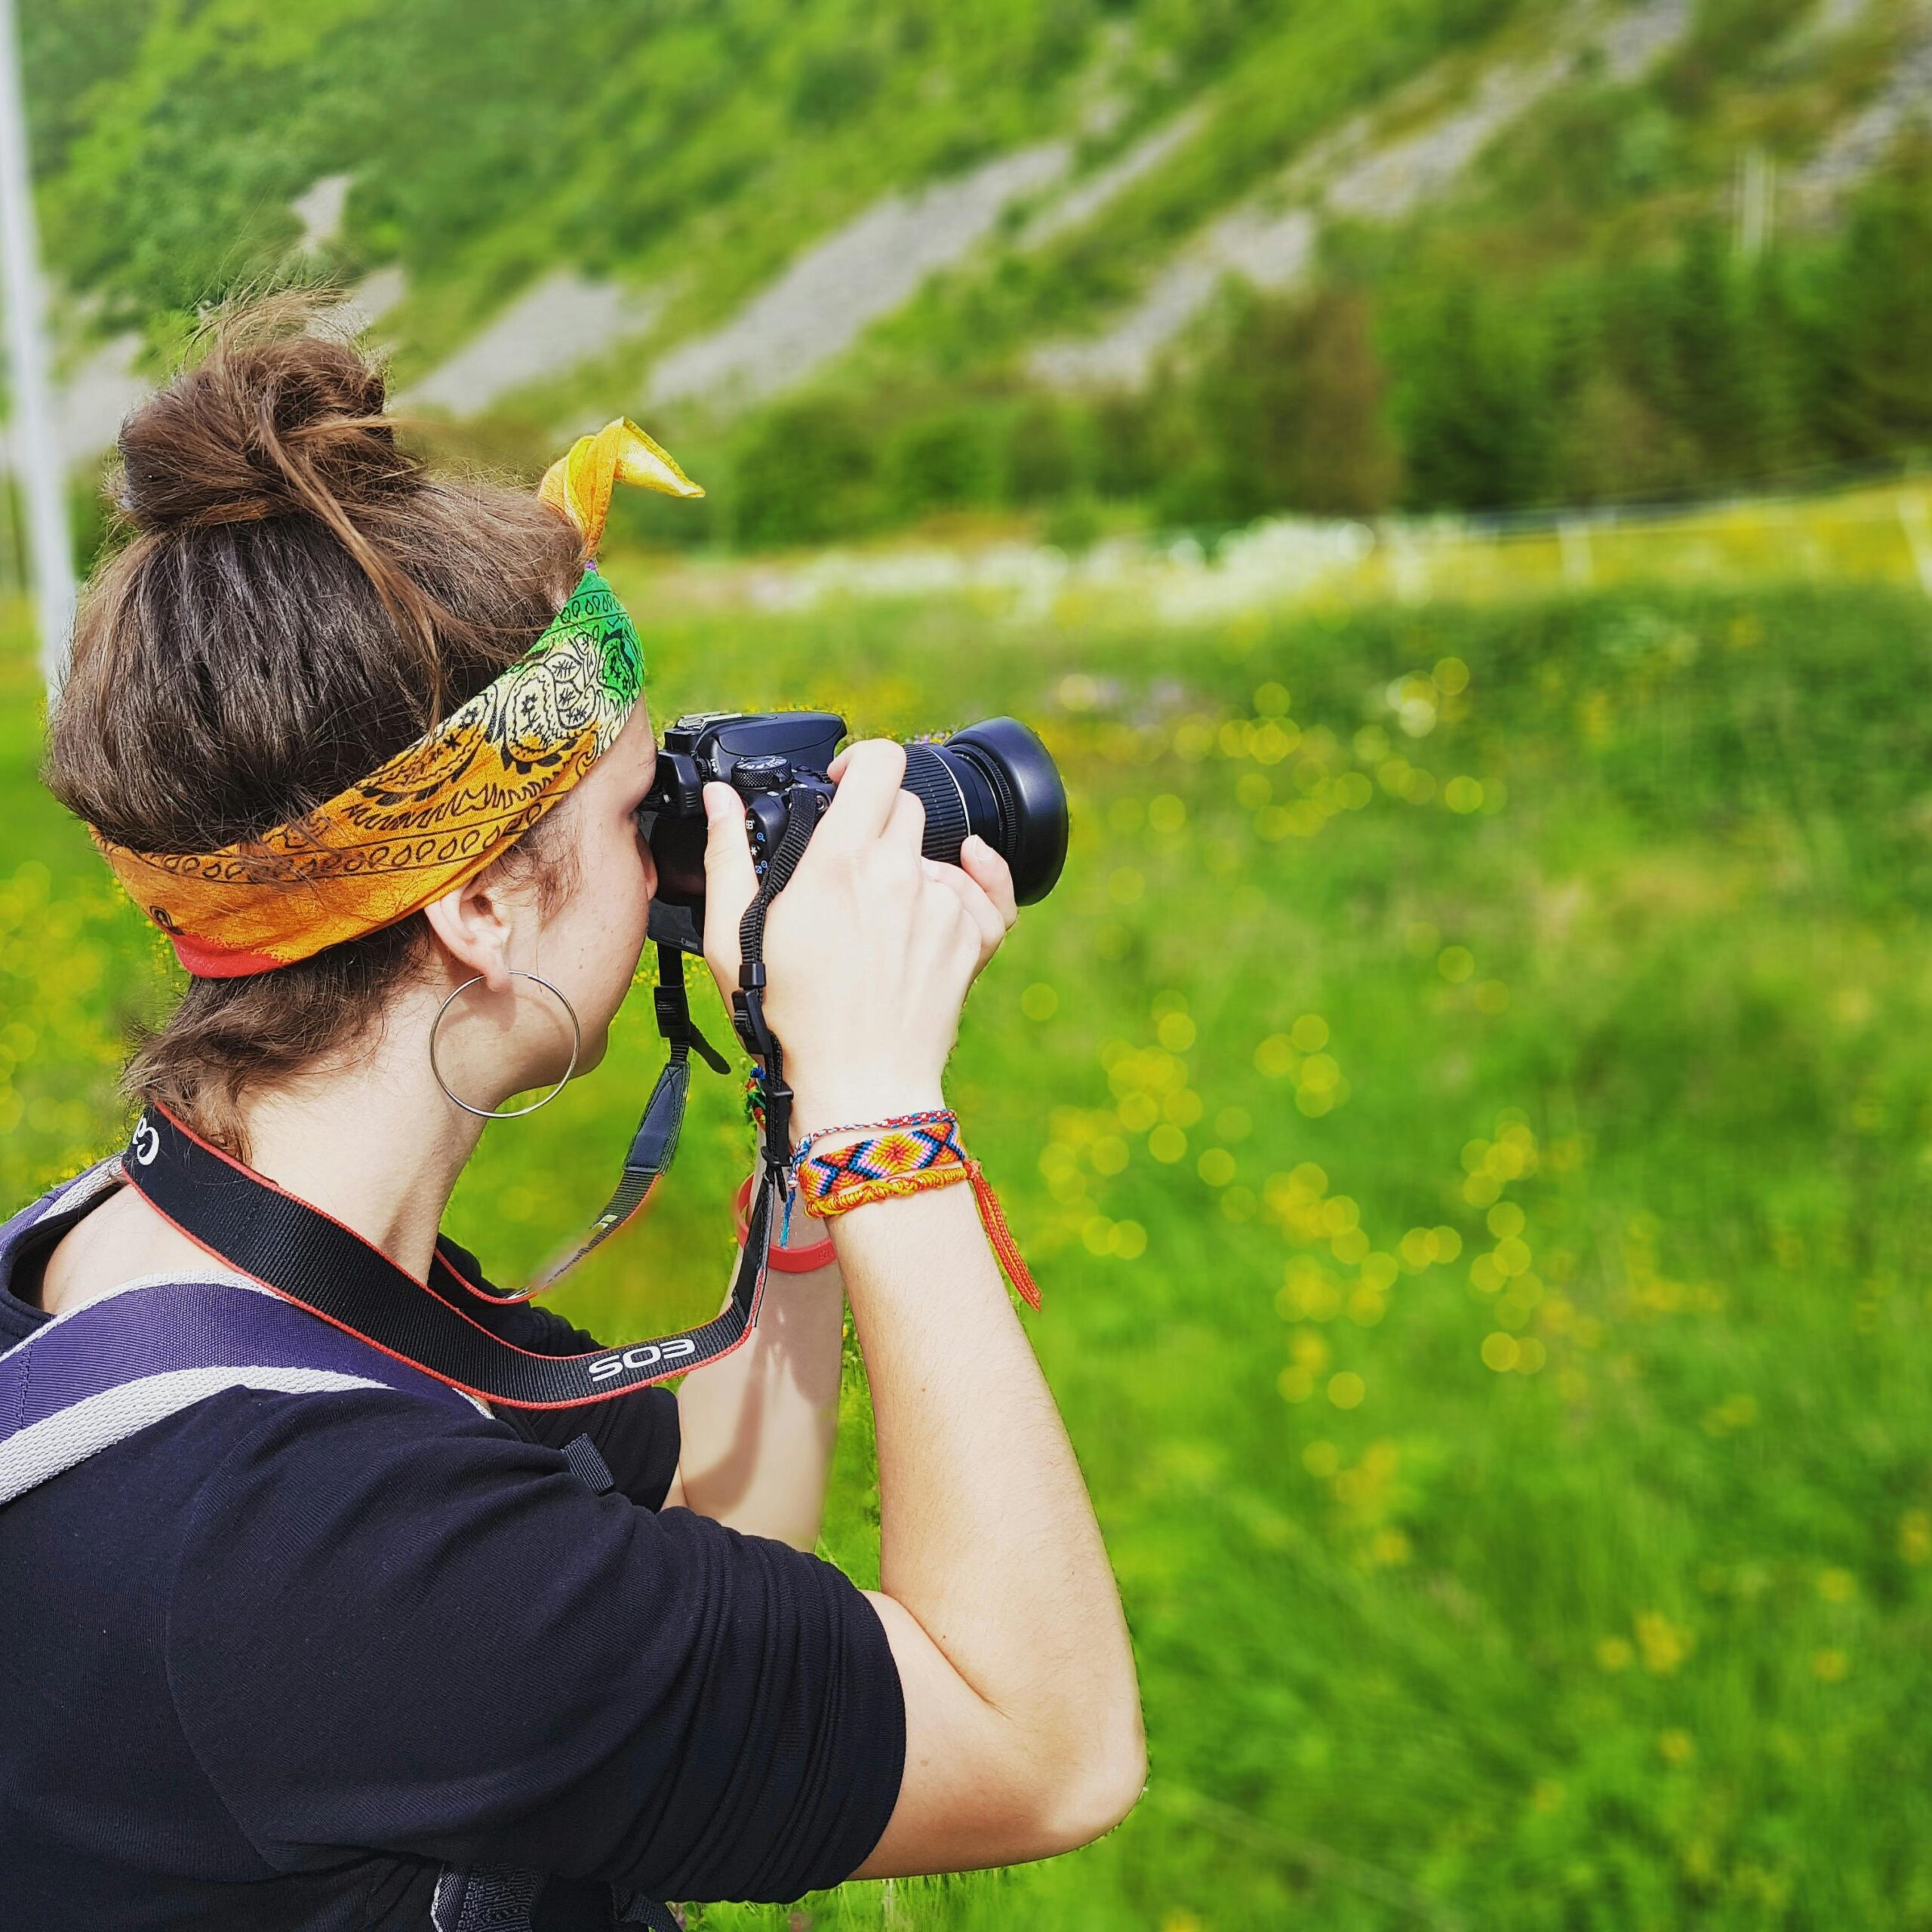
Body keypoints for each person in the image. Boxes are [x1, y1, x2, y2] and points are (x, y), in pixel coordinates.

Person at [0, 303, 1143, 1928]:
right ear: (477, 906)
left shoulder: (149, 1271)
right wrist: (885, 1110)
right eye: (632, 811)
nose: (669, 852)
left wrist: (795, 1095)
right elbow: (1049, 1745)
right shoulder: (331, 1548)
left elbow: (730, 1500)